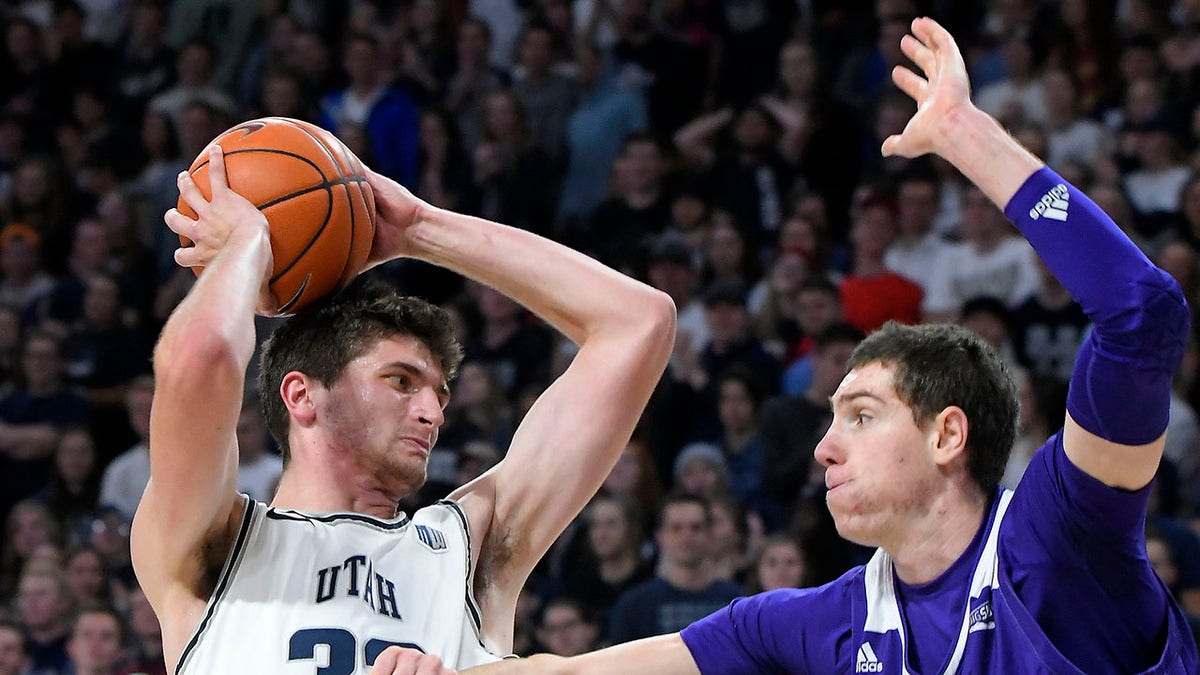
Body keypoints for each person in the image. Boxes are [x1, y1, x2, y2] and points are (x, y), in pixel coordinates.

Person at [435, 17, 1198, 675]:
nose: (824, 449)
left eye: (861, 415)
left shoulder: (1061, 537)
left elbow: (1142, 313)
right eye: (833, 419)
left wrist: (966, 134)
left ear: (946, 432)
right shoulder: (827, 620)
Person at [136, 133, 675, 675]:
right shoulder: (215, 538)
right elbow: (199, 358)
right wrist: (249, 242)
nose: (433, 413)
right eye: (400, 381)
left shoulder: (468, 550)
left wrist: (419, 228)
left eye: (440, 394)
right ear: (302, 395)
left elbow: (639, 324)